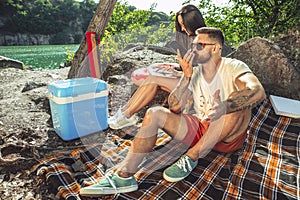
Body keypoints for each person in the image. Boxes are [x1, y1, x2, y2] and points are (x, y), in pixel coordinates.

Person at [80, 27, 266, 196]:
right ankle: (124, 176)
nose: (193, 50)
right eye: (193, 45)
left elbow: (257, 91)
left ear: (216, 48)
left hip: (227, 135)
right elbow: (175, 107)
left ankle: (191, 156)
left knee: (239, 106)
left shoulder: (234, 66)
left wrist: (226, 105)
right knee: (155, 113)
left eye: (200, 45)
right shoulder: (196, 72)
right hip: (201, 127)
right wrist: (185, 78)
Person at [108, 4, 207, 129]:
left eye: (184, 24)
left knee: (155, 79)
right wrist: (176, 68)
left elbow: (208, 74)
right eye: (180, 24)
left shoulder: (206, 41)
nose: (182, 29)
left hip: (201, 88)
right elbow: (193, 66)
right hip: (189, 80)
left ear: (193, 22)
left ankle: (126, 116)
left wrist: (179, 74)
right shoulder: (190, 40)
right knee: (154, 76)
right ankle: (123, 114)